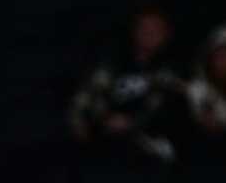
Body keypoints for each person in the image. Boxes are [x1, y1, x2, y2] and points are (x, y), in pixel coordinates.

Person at [68, 8, 189, 165]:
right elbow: (87, 97)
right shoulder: (112, 62)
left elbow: (164, 107)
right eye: (144, 28)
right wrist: (99, 119)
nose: (149, 33)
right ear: (134, 31)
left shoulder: (174, 70)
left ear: (166, 35)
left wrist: (133, 122)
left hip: (151, 150)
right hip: (106, 145)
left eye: (156, 29)